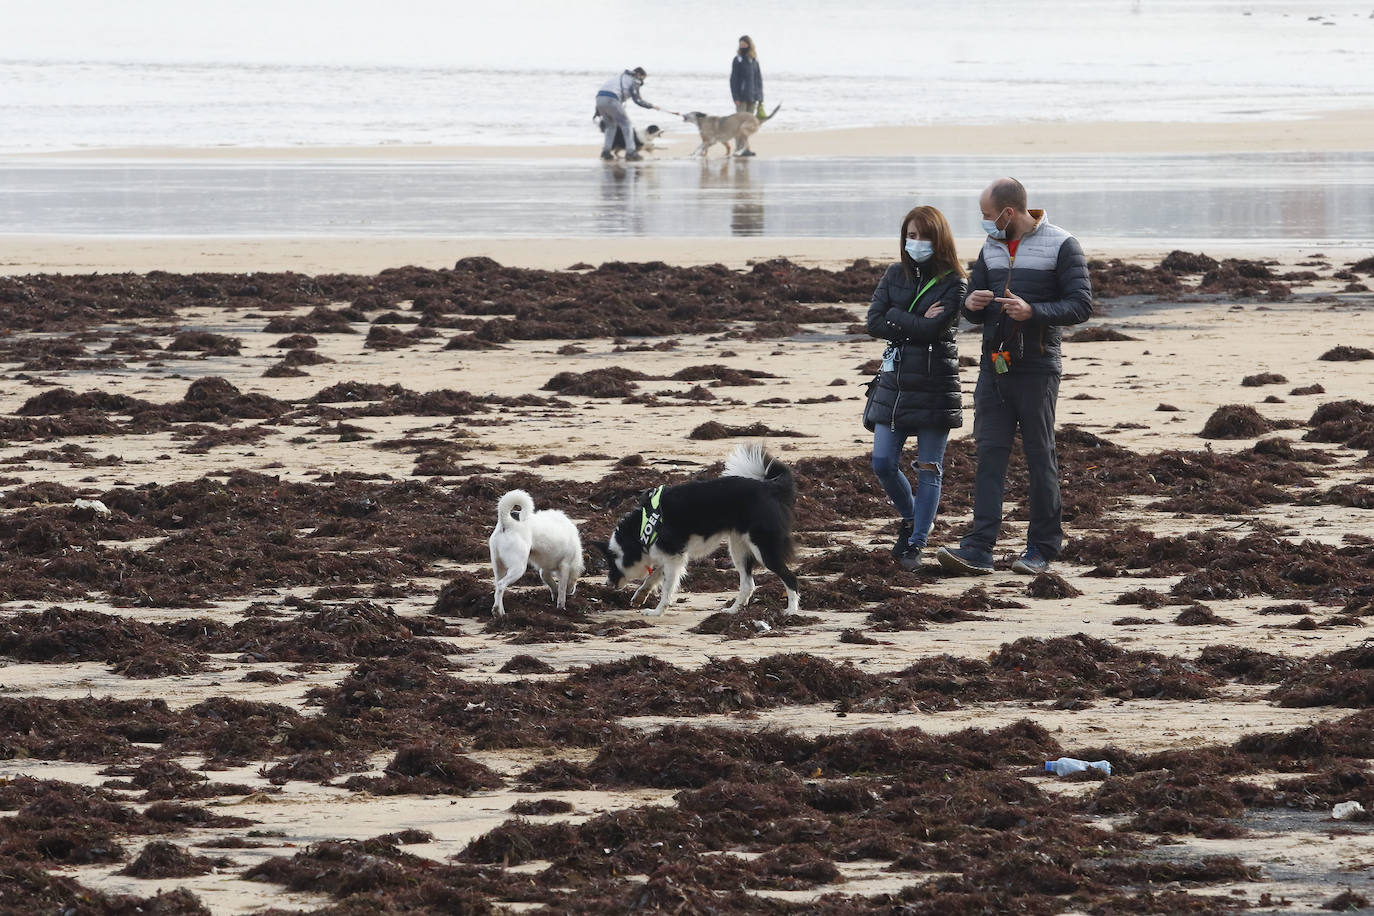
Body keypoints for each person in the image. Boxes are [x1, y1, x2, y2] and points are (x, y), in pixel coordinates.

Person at [935, 177, 1093, 577]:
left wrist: (1034, 311)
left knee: (1040, 457)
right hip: (994, 365)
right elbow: (972, 303)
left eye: (988, 216)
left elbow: (1080, 305)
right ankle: (979, 546)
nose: (984, 223)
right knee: (988, 454)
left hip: (1038, 366)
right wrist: (970, 304)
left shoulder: (1062, 244)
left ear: (1008, 212)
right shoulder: (991, 247)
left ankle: (1042, 547)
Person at [864, 205, 969, 570]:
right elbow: (874, 321)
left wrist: (896, 317)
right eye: (911, 235)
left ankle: (916, 541)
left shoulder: (954, 281)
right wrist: (903, 319)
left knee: (929, 468)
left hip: (936, 384)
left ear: (939, 240)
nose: (917, 242)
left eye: (924, 236)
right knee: (882, 462)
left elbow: (932, 331)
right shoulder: (894, 274)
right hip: (894, 385)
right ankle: (909, 517)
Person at [596, 67, 659, 162]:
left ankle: (606, 152)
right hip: (612, 99)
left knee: (611, 126)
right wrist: (651, 106)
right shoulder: (635, 80)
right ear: (640, 75)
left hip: (599, 99)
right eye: (643, 79)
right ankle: (631, 152)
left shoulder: (619, 77)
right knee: (627, 125)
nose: (642, 82)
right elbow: (637, 100)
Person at [729, 36, 763, 157]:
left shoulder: (754, 59)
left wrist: (760, 97)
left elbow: (758, 79)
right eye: (741, 44)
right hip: (741, 98)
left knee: (748, 125)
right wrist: (736, 97)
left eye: (744, 44)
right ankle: (739, 149)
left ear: (749, 44)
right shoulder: (737, 60)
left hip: (752, 97)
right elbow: (733, 80)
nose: (742, 46)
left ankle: (746, 148)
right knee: (739, 125)